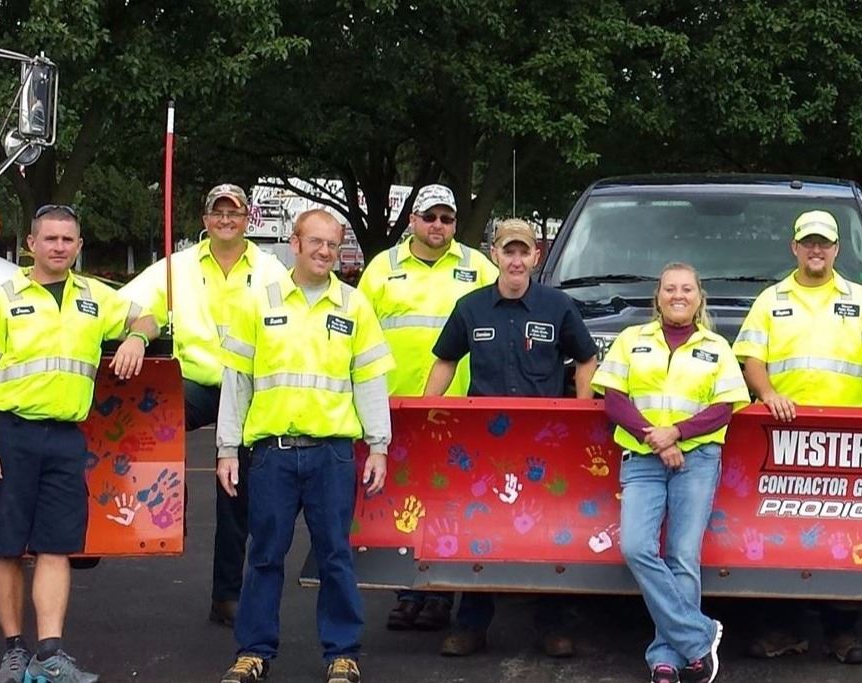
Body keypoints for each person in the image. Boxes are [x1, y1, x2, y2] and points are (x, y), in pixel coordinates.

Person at [0, 205, 161, 683]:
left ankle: (50, 652)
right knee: (5, 546)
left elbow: (147, 316)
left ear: (79, 246)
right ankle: (13, 651)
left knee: (56, 545)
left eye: (68, 240)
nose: (59, 247)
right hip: (9, 434)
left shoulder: (95, 298)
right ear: (31, 244)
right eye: (50, 239)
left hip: (65, 439)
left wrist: (137, 340)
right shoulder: (1, 299)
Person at [214, 210, 394, 683]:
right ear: (293, 244)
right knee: (265, 554)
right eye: (315, 242)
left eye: (333, 245)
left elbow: (370, 380)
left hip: (332, 454)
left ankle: (342, 654)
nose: (324, 252)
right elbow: (237, 383)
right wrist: (226, 449)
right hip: (271, 453)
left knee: (335, 554)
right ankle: (253, 653)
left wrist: (378, 446)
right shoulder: (257, 304)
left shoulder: (354, 307)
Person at [424, 219, 601, 659]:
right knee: (480, 527)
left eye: (524, 252)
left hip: (545, 442)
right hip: (484, 444)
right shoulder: (470, 308)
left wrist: (581, 411)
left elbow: (586, 358)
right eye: (508, 251)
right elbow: (445, 361)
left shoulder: (558, 307)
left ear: (536, 257)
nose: (517, 260)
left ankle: (553, 624)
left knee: (551, 529)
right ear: (495, 255)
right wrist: (424, 413)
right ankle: (471, 625)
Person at [732, 209, 862, 665]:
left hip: (844, 440)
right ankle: (782, 629)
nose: (816, 250)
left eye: (824, 243)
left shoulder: (860, 299)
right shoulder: (771, 299)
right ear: (795, 248)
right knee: (781, 529)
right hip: (780, 436)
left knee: (842, 531)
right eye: (808, 242)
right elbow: (751, 358)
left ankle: (841, 632)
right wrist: (766, 394)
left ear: (836, 249)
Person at [120, 183, 288, 628]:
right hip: (193, 381)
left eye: (234, 212)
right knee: (146, 433)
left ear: (248, 217)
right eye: (218, 212)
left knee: (236, 490)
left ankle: (227, 596)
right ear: (205, 219)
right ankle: (139, 514)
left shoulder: (272, 270)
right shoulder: (176, 268)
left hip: (248, 386)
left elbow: (289, 324)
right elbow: (128, 307)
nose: (226, 220)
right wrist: (139, 333)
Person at [592, 262, 745, 683]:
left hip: (696, 460)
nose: (679, 295)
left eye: (687, 289)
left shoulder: (717, 346)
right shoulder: (630, 340)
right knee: (638, 547)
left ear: (699, 298)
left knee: (682, 557)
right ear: (657, 297)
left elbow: (724, 407)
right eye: (670, 289)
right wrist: (655, 437)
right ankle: (699, 637)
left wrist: (676, 433)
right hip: (641, 458)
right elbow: (613, 398)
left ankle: (667, 657)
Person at [357, 183, 497, 632]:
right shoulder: (382, 268)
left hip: (459, 406)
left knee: (449, 499)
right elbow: (358, 333)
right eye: (430, 217)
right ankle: (408, 592)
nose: (438, 226)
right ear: (413, 220)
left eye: (447, 219)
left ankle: (439, 592)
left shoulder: (478, 266)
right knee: (402, 500)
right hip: (396, 405)